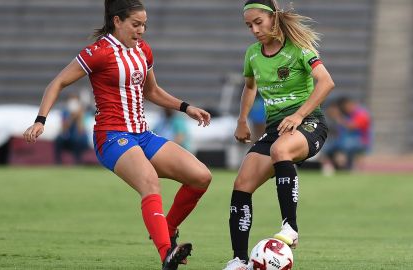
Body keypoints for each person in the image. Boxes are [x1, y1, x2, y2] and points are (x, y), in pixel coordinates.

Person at [23, 1, 212, 269]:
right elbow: (58, 82)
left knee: (201, 176)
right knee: (149, 182)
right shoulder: (99, 52)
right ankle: (166, 253)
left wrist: (186, 107)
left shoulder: (143, 50)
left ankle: (167, 227)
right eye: (136, 24)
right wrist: (40, 120)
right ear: (117, 21)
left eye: (145, 24)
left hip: (143, 135)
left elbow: (152, 92)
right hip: (111, 137)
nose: (142, 30)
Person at [223, 1, 335, 269]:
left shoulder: (299, 49)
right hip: (276, 129)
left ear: (273, 18)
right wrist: (242, 120)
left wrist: (298, 115)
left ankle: (290, 227)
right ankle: (239, 260)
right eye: (249, 25)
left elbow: (326, 81)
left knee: (280, 151)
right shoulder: (252, 54)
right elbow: (250, 88)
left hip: (309, 123)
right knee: (241, 185)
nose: (254, 30)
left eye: (258, 22)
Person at [322, 97, 371, 171]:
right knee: (328, 147)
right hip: (348, 140)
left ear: (349, 104)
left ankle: (342, 166)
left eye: (345, 107)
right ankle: (335, 166)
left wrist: (338, 117)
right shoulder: (348, 114)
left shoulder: (361, 113)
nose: (345, 109)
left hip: (360, 141)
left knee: (342, 146)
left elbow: (352, 126)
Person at [54, 94, 90, 164]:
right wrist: (71, 117)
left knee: (78, 139)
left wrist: (79, 116)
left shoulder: (83, 113)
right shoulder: (65, 112)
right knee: (58, 139)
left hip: (80, 140)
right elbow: (63, 129)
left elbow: (81, 130)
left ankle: (78, 161)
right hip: (68, 139)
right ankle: (58, 162)